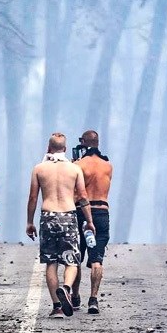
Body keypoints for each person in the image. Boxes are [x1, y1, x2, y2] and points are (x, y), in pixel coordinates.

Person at [26, 133, 95, 318]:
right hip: (68, 216)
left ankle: (57, 307)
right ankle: (66, 288)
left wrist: (29, 222)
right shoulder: (74, 169)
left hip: (47, 216)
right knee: (71, 260)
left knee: (51, 262)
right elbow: (82, 197)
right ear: (65, 149)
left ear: (48, 148)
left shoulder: (39, 169)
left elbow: (33, 197)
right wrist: (89, 221)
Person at [71, 130, 113, 315]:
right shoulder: (108, 165)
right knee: (97, 258)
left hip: (82, 212)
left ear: (83, 143)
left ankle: (76, 294)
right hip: (102, 212)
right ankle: (93, 299)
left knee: (77, 256)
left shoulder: (79, 165)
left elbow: (76, 193)